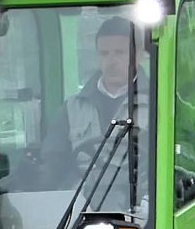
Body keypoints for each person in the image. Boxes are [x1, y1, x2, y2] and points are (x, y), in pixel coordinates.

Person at [38, 16, 147, 190]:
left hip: (138, 205)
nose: (111, 61)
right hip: (78, 208)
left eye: (120, 52)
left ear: (139, 54)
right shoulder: (72, 109)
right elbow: (51, 164)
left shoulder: (158, 105)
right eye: (104, 53)